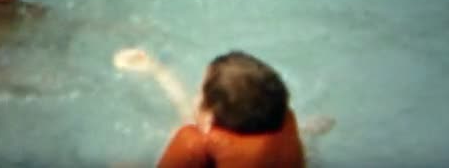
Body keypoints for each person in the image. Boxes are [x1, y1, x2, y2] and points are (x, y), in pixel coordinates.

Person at [114, 49, 307, 167]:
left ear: (209, 117)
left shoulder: (194, 142)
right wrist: (157, 70)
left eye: (199, 91)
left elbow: (187, 113)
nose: (195, 95)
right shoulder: (283, 121)